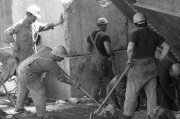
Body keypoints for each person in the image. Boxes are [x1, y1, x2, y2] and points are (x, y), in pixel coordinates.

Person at [12, 45, 81, 118]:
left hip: (22, 67)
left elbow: (39, 47)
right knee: (39, 91)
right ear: (56, 56)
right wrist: (73, 83)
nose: (63, 59)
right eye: (62, 57)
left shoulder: (46, 49)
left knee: (23, 89)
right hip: (27, 73)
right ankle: (42, 114)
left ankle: (19, 108)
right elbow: (61, 78)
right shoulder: (51, 64)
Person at [123, 12, 170, 119]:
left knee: (131, 94)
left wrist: (129, 60)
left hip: (138, 69)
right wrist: (160, 59)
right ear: (146, 22)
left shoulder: (135, 35)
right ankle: (152, 115)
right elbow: (167, 47)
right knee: (152, 95)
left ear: (135, 24)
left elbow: (130, 48)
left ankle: (127, 116)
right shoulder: (154, 34)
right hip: (152, 67)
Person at [86, 17, 116, 102]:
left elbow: (87, 49)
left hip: (93, 63)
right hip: (103, 63)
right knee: (110, 82)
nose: (106, 27)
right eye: (106, 26)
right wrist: (113, 55)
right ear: (103, 26)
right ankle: (113, 101)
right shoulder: (104, 36)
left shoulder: (90, 36)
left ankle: (93, 100)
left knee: (96, 82)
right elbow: (108, 50)